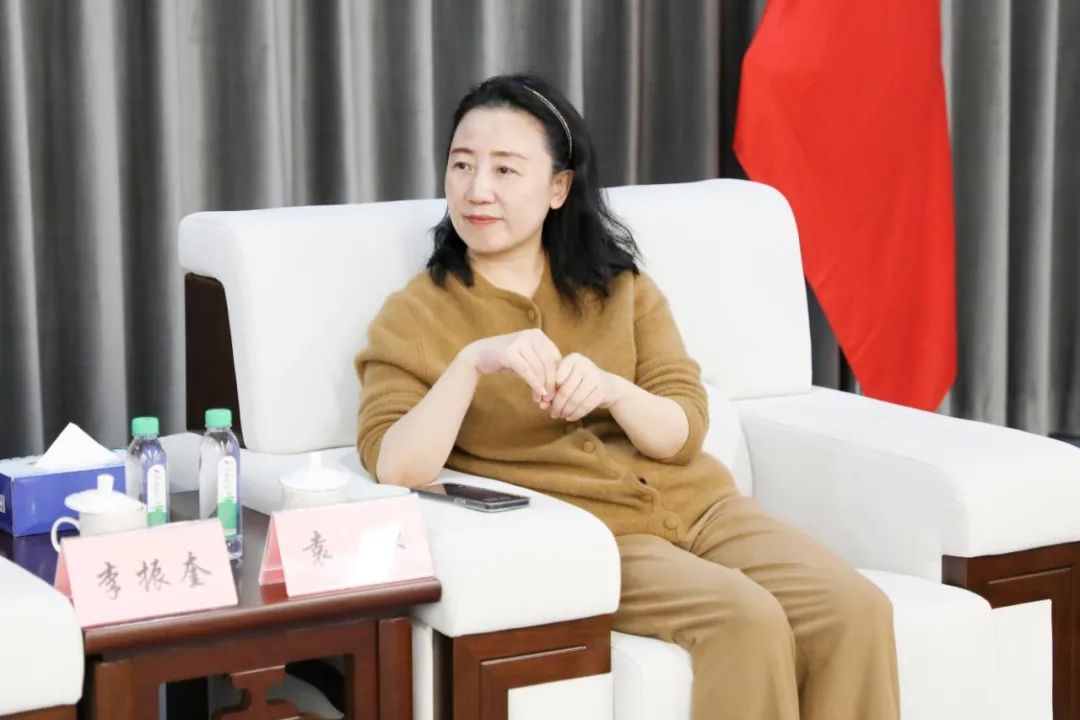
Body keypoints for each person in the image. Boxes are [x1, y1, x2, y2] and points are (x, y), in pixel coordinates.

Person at [355, 73, 899, 720]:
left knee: (856, 608)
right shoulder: (416, 314)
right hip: (599, 537)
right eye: (462, 164)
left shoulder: (620, 287)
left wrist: (614, 391)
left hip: (706, 509)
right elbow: (395, 464)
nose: (477, 190)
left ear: (558, 188)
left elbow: (683, 429)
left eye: (505, 169)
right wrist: (473, 363)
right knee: (745, 619)